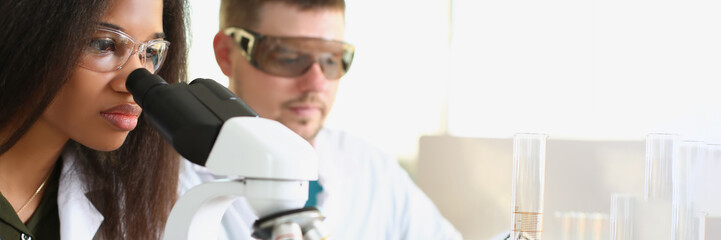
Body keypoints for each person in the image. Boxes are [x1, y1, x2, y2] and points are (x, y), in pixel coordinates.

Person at [179, 0, 462, 239]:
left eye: (330, 59)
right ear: (227, 54)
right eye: (287, 57)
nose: (316, 83)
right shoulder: (172, 178)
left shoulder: (373, 172)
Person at [0, 0, 188, 238]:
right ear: (30, 33)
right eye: (104, 44)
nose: (134, 86)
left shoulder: (126, 205)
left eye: (150, 52)